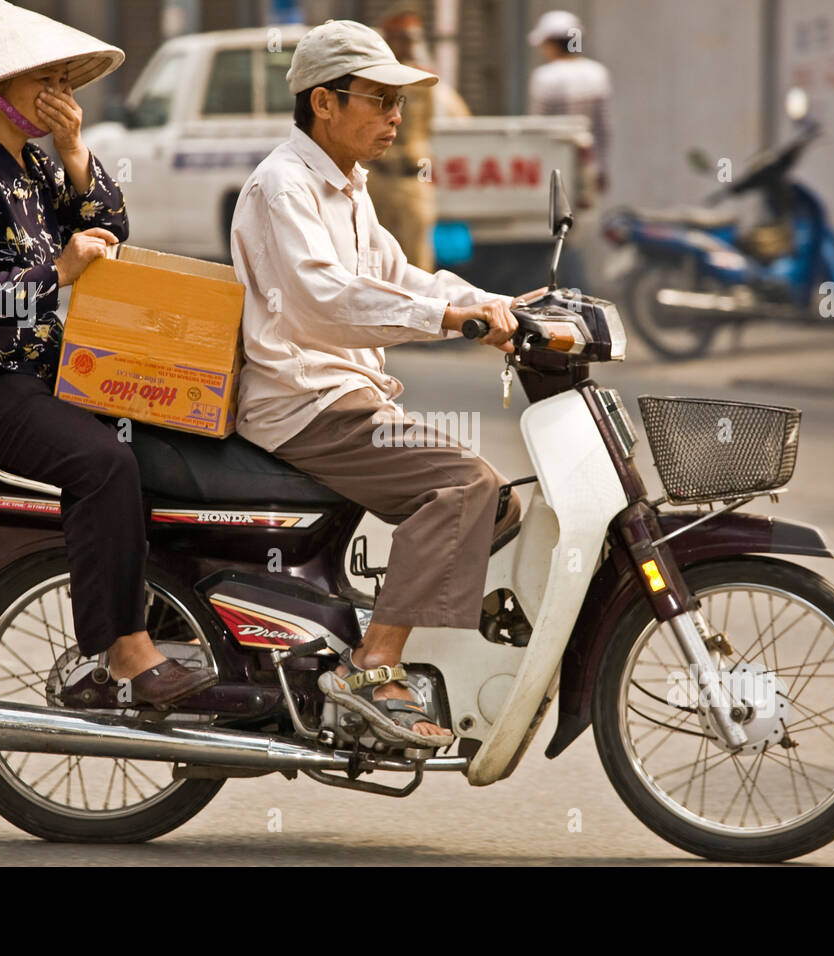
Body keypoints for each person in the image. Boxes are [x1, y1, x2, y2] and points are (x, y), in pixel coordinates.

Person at [229, 20, 531, 748]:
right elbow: (323, 299)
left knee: (502, 507)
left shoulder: (348, 185)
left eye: (399, 101)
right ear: (323, 103)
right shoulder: (283, 185)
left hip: (347, 393)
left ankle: (398, 631)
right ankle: (373, 664)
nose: (396, 116)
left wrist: (498, 304)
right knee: (465, 487)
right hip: (305, 401)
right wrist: (446, 317)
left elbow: (399, 277)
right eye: (379, 99)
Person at [0, 0, 212, 708]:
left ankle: (175, 628)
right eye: (43, 80)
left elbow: (109, 230)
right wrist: (55, 275)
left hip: (43, 367)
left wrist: (76, 154)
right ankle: (120, 653)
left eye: (65, 83)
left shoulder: (37, 168)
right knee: (100, 464)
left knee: (165, 447)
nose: (60, 97)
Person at [365, 6, 471, 271]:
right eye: (402, 37)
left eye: (413, 37)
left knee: (418, 262)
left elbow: (453, 116)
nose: (409, 43)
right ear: (388, 40)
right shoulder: (370, 78)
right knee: (373, 258)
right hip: (377, 174)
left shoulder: (424, 78)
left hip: (413, 177)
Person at [527, 9, 611, 200]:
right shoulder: (597, 73)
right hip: (588, 162)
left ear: (553, 43)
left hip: (551, 162)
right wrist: (602, 166)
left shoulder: (544, 76)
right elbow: (602, 127)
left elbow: (537, 126)